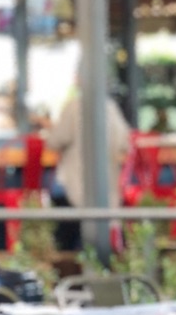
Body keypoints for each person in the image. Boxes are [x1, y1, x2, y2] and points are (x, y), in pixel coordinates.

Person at [44, 90, 131, 251]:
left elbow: (54, 142)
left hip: (74, 186)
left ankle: (64, 256)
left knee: (64, 229)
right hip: (107, 190)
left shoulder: (73, 107)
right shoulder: (110, 107)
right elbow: (125, 143)